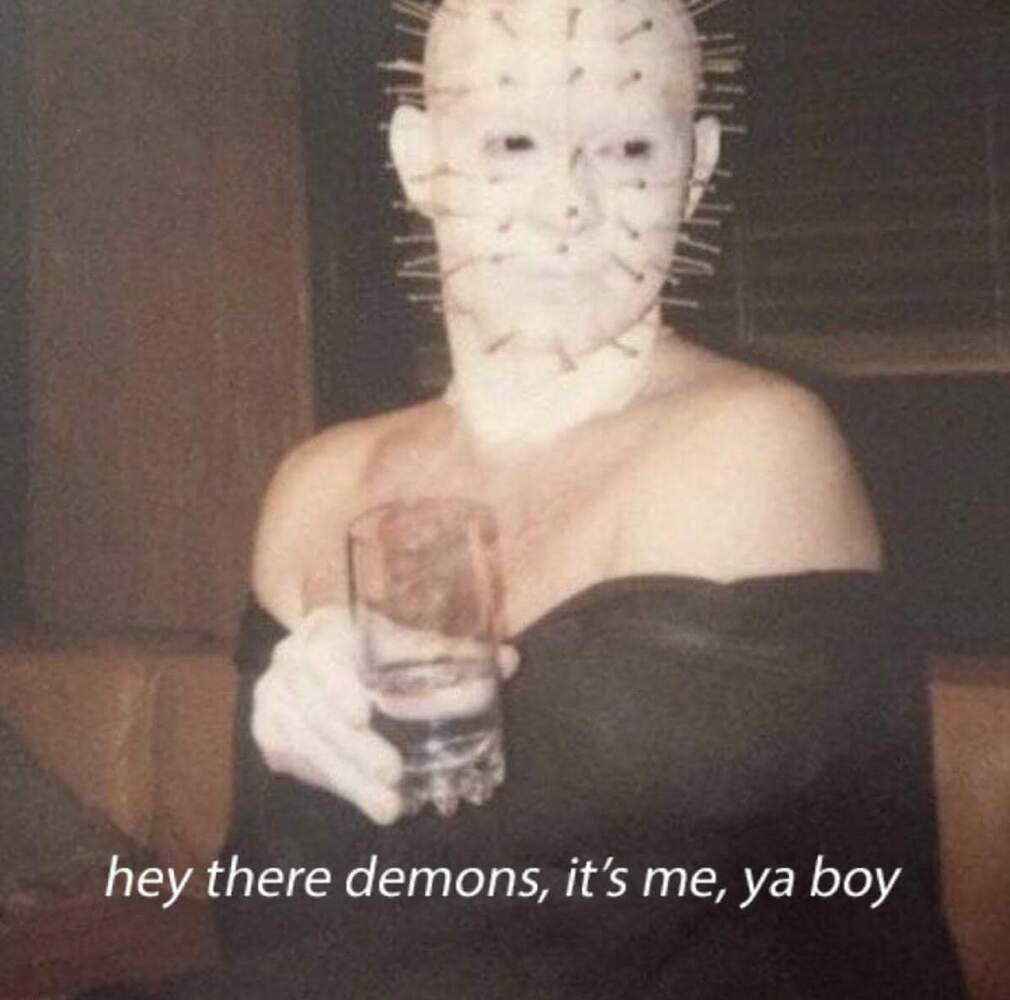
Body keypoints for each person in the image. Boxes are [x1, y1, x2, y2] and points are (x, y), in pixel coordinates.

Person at [168, 0, 967, 995]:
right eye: (511, 142)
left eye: (629, 148)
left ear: (695, 168)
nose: (566, 205)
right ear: (418, 160)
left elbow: (587, 923)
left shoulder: (754, 446)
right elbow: (264, 915)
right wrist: (291, 744)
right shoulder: (316, 487)